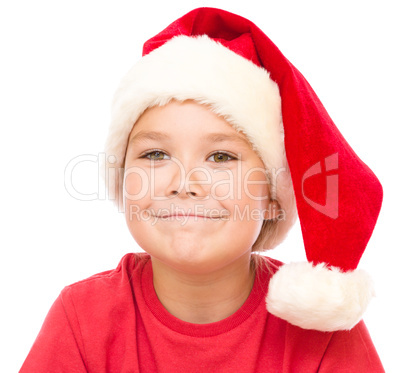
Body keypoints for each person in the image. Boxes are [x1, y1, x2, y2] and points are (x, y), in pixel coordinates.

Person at [20, 7, 384, 372]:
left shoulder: (321, 329)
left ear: (274, 197)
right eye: (156, 153)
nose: (185, 184)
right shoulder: (81, 319)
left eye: (221, 156)